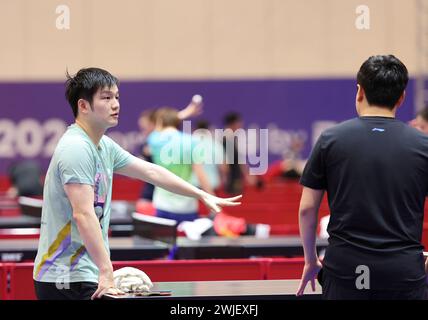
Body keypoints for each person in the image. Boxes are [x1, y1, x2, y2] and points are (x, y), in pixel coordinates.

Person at [32, 68, 241, 300]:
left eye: (117, 97)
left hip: (83, 274)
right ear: (83, 106)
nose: (115, 104)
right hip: (64, 278)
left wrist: (200, 194)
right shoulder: (76, 148)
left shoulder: (103, 146)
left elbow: (151, 171)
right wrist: (106, 270)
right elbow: (83, 213)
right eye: (106, 97)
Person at [296, 55, 428, 300]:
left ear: (359, 91)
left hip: (345, 272)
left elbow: (306, 209)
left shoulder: (330, 140)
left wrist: (311, 260)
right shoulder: (424, 145)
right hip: (403, 273)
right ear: (401, 97)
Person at [147, 107, 213, 224]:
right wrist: (211, 198)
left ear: (160, 122)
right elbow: (201, 175)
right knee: (187, 242)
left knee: (164, 242)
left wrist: (184, 113)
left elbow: (158, 128)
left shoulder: (154, 139)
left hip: (163, 205)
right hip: (187, 206)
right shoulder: (193, 142)